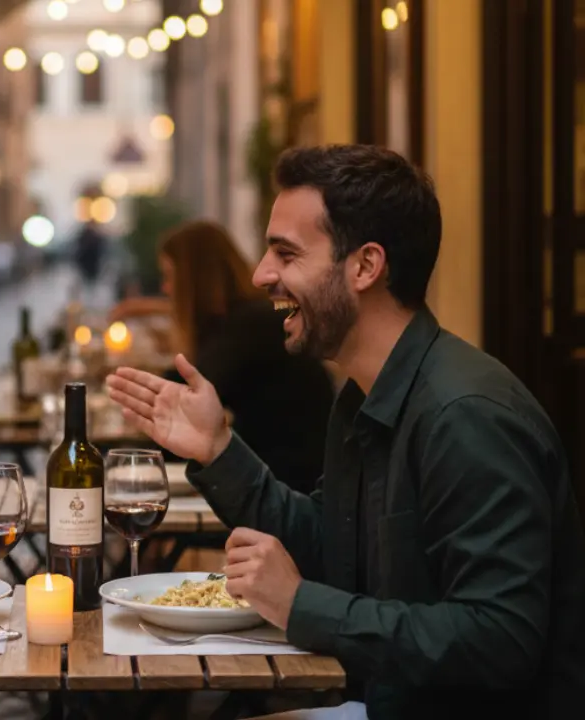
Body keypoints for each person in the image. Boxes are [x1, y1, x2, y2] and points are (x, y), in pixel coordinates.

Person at [106, 145, 585, 719]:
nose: (261, 275)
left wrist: (302, 604)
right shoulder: (364, 394)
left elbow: (501, 640)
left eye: (286, 253)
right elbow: (330, 543)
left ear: (365, 266)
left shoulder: (466, 415)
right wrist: (217, 449)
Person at [110, 220, 335, 494]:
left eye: (170, 277)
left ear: (193, 280)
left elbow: (186, 399)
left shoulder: (247, 328)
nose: (167, 288)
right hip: (283, 471)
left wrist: (112, 451)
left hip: (291, 486)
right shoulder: (246, 319)